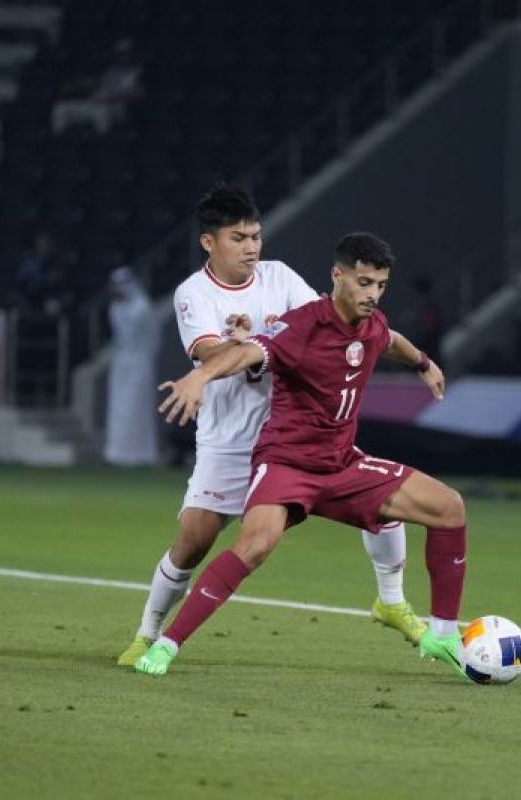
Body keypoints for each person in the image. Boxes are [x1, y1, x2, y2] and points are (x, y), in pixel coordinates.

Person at [116, 188, 424, 667]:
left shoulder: (278, 277)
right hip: (231, 442)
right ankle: (147, 632)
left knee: (381, 499)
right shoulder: (193, 294)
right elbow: (206, 353)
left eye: (255, 236)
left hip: (297, 436)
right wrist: (235, 347)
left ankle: (394, 601)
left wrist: (416, 358)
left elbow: (329, 322)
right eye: (238, 238)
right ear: (207, 242)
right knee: (192, 544)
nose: (250, 247)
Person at [104, 267, 161, 466]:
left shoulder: (142, 308)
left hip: (139, 363)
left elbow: (151, 339)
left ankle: (139, 453)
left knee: (136, 409)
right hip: (121, 363)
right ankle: (118, 451)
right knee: (119, 409)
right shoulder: (116, 308)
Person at [52, 38, 143, 135]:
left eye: (126, 52)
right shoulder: (111, 70)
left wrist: (112, 98)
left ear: (133, 53)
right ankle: (57, 143)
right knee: (60, 108)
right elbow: (94, 84)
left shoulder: (137, 71)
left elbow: (138, 93)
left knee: (101, 112)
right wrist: (74, 86)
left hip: (116, 107)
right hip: (95, 102)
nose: (123, 56)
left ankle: (102, 145)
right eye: (121, 53)